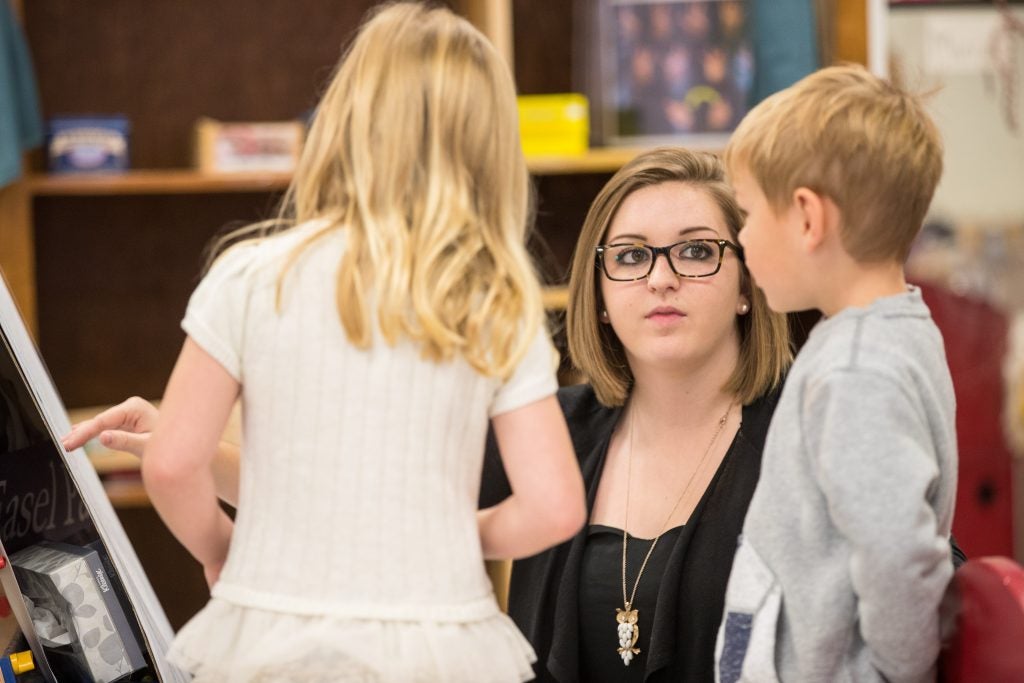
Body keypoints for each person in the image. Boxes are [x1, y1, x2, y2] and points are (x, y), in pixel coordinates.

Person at [61, 4, 589, 681]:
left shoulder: (249, 275)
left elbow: (169, 465)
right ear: (491, 144)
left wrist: (221, 542)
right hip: (440, 642)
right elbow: (555, 505)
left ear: (344, 119)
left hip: (267, 636)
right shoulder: (494, 301)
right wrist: (458, 538)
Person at [480, 146, 792, 682]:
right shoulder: (547, 429)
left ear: (746, 283)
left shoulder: (804, 431)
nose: (661, 278)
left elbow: (929, 586)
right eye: (630, 256)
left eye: (696, 251)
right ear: (600, 294)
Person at [715, 64, 956, 683]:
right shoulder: (895, 331)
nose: (739, 238)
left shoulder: (856, 369)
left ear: (806, 219)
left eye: (744, 214)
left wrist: (898, 672)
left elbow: (899, 554)